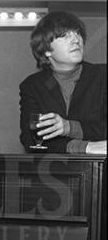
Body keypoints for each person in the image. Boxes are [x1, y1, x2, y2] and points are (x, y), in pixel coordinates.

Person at [19, 11, 106, 154]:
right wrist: (85, 147)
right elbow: (31, 140)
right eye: (64, 35)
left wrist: (69, 127)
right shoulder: (32, 86)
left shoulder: (103, 76)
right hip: (55, 172)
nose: (76, 40)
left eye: (77, 33)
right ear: (46, 50)